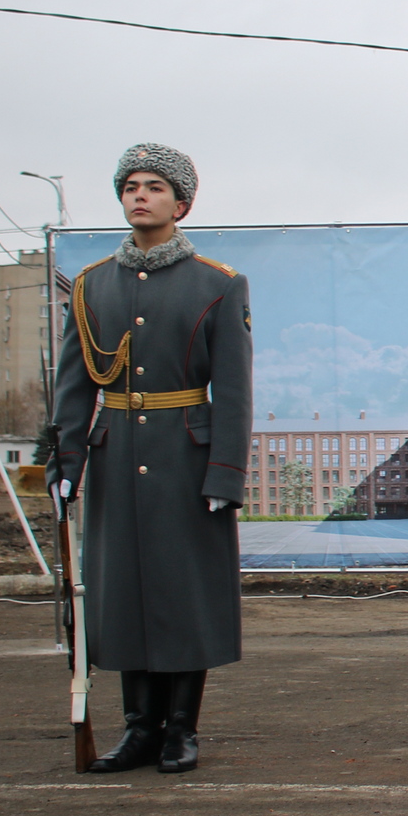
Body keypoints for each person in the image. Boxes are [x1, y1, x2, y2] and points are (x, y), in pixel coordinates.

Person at [49, 143, 252, 775]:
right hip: (115, 457)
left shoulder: (217, 284)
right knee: (123, 593)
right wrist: (65, 462)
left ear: (182, 203)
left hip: (186, 460)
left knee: (183, 594)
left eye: (155, 187)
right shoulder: (91, 285)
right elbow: (75, 383)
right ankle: (138, 729)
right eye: (131, 185)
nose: (140, 195)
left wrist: (225, 473)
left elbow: (235, 390)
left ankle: (179, 732)